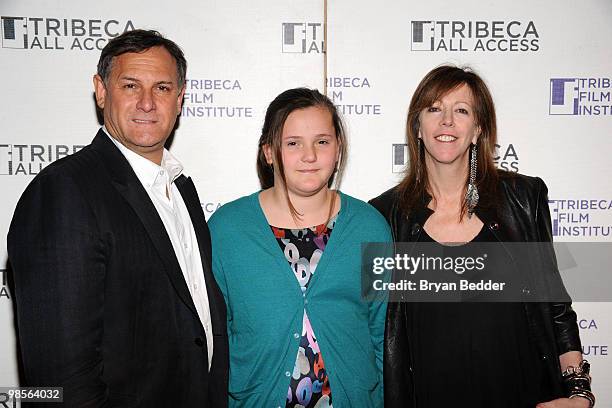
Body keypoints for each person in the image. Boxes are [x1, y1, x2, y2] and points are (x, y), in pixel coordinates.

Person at [8, 29, 228, 407]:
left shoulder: (181, 189)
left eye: (161, 88)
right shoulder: (64, 191)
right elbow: (58, 374)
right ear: (101, 90)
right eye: (130, 86)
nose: (146, 103)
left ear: (180, 98)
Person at [369, 65, 594, 408]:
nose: (447, 121)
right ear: (417, 127)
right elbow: (374, 331)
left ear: (477, 129)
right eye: (434, 109)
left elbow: (555, 306)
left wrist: (578, 393)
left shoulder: (522, 198)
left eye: (461, 110)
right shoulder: (384, 216)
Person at [208, 88, 391, 407]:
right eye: (293, 143)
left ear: (337, 149)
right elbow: (212, 340)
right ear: (268, 151)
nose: (310, 155)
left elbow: (383, 337)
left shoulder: (369, 227)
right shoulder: (226, 230)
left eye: (322, 141)